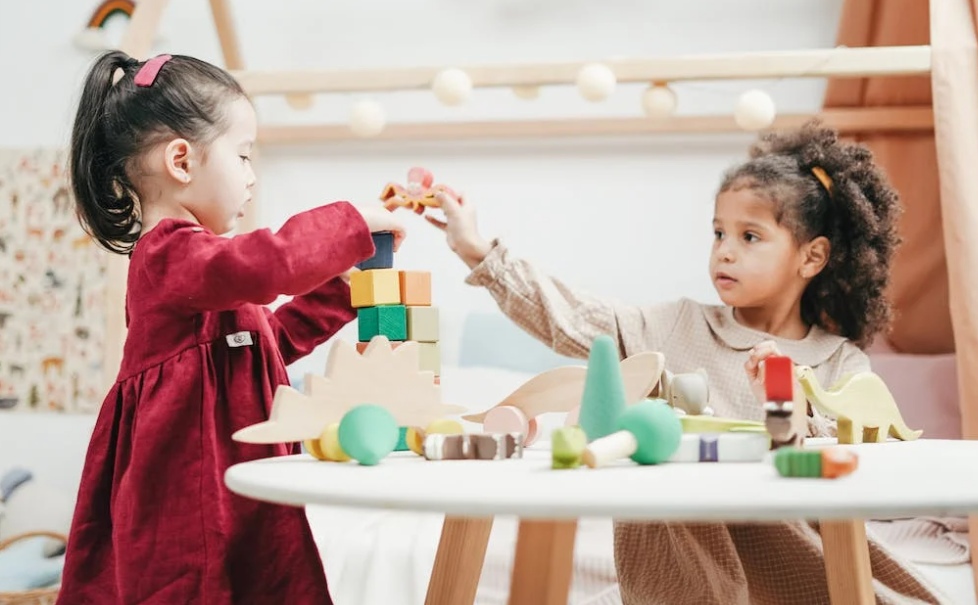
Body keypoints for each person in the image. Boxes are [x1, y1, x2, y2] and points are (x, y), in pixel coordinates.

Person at [427, 121, 946, 603]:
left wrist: (785, 405)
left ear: (811, 257)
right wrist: (477, 250)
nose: (724, 251)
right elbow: (572, 317)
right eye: (718, 233)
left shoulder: (839, 361)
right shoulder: (676, 327)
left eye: (750, 237)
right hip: (684, 567)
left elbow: (860, 462)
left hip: (790, 564)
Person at [58, 51, 405, 604]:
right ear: (181, 161)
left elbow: (272, 340)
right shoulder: (170, 258)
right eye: (243, 156)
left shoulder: (208, 279)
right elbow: (265, 265)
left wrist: (342, 286)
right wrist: (349, 224)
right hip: (187, 497)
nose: (251, 177)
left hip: (238, 487)